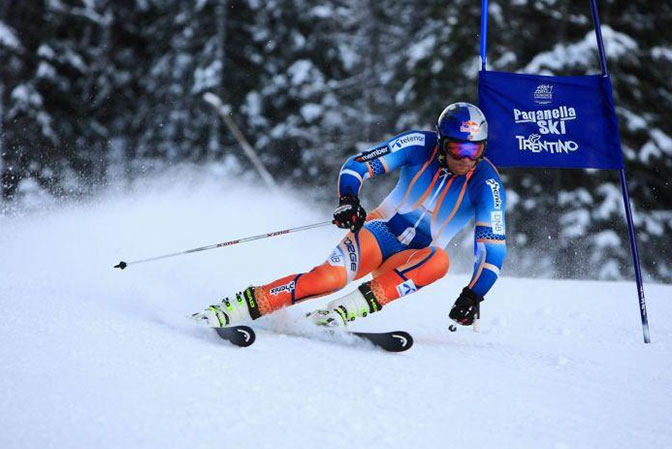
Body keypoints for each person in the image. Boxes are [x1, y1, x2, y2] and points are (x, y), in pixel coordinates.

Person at [192, 102, 507, 329]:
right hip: (379, 234)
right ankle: (236, 307)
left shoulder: (487, 183)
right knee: (326, 280)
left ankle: (343, 311)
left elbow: (492, 249)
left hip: (410, 259)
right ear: (441, 143)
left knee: (440, 261)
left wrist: (473, 294)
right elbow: (357, 164)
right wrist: (349, 199)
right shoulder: (418, 144)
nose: (467, 159)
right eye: (459, 150)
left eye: (475, 151)